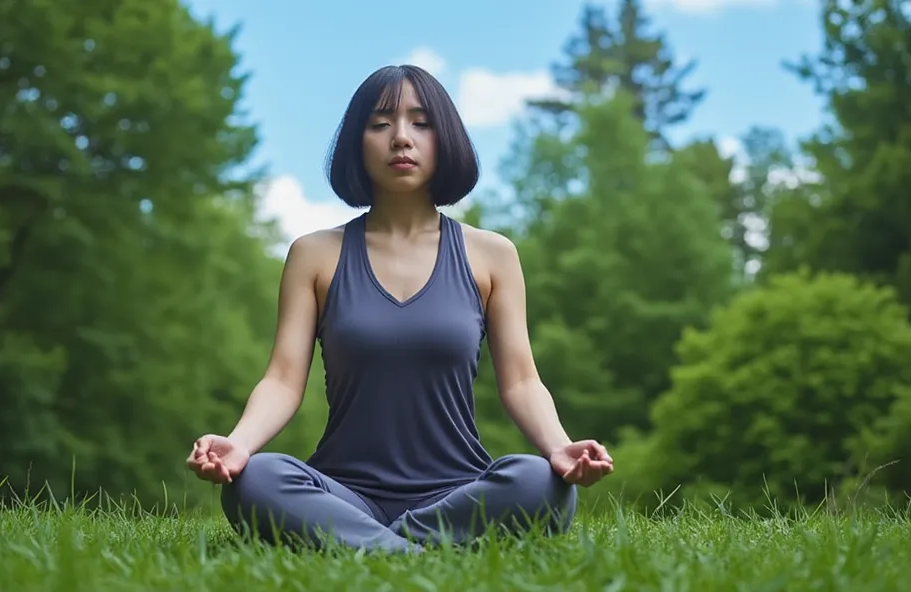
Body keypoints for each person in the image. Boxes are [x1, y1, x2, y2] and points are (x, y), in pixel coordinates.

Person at [186, 64, 614, 554]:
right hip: (343, 494)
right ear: (357, 141)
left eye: (421, 122)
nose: (401, 139)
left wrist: (559, 448)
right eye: (381, 123)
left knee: (542, 483)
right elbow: (283, 379)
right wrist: (238, 445)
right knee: (256, 478)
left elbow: (520, 380)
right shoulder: (314, 254)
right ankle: (418, 554)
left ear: (445, 137)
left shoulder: (492, 254)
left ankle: (372, 550)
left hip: (459, 491)